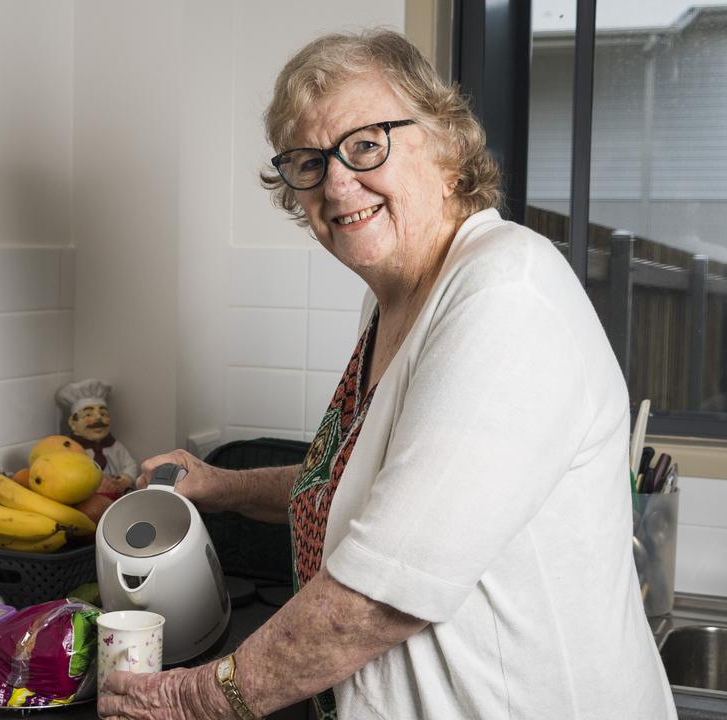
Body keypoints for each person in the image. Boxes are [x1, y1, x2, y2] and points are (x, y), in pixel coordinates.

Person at [97, 29, 676, 720]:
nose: (338, 181)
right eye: (309, 162)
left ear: (446, 145)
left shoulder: (504, 293)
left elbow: (380, 595)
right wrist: (224, 486)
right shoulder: (397, 305)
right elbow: (380, 496)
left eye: (367, 144)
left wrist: (196, 698)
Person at [56, 378, 139, 497]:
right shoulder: (71, 450)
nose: (98, 419)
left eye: (103, 414)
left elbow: (130, 464)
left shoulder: (114, 446)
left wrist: (126, 477)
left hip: (116, 493)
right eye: (88, 414)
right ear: (73, 423)